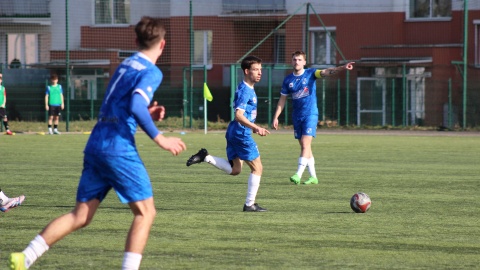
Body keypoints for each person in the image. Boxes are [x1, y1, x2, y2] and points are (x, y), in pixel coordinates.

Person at [9, 16, 186, 270]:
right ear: (163, 45)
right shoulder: (151, 70)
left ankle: (24, 257)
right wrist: (161, 138)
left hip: (96, 144)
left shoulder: (126, 64)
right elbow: (135, 103)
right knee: (146, 213)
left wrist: (147, 111)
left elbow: (129, 104)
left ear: (136, 41)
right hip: (118, 147)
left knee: (80, 215)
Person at [186, 55, 270, 212]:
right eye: (256, 70)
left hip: (234, 131)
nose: (260, 73)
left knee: (235, 170)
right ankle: (249, 204)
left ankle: (206, 157)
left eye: (260, 69)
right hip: (241, 133)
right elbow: (239, 115)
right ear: (246, 71)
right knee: (257, 168)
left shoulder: (245, 87)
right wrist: (256, 127)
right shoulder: (246, 90)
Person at [272, 50, 354, 185]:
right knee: (306, 147)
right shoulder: (288, 80)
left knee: (305, 144)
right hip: (297, 116)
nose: (296, 62)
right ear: (291, 61)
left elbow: (326, 72)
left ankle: (298, 174)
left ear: (304, 62)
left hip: (310, 114)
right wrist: (276, 117)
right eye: (294, 59)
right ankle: (313, 177)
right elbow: (282, 100)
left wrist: (342, 68)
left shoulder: (311, 73)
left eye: (299, 60)